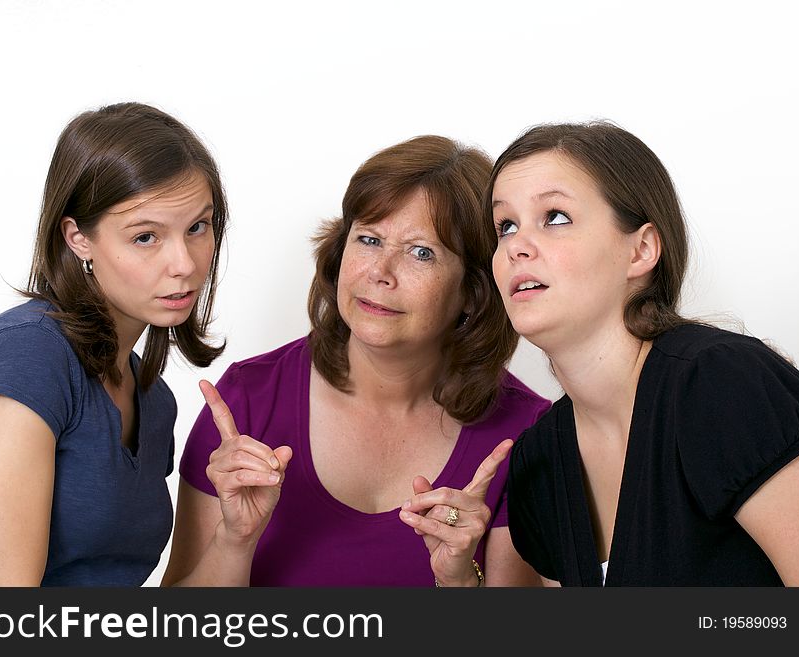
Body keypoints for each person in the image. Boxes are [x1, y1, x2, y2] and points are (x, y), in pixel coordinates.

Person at [162, 135, 551, 586]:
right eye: (368, 239)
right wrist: (234, 540)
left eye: (421, 252)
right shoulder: (246, 399)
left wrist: (462, 582)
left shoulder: (526, 435)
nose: (379, 273)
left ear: (473, 290)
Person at [489, 122, 799, 586]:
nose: (516, 246)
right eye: (505, 226)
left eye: (555, 216)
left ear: (641, 250)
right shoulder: (539, 461)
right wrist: (462, 582)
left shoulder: (721, 385)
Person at [0, 102, 228, 586]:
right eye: (146, 237)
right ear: (78, 239)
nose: (184, 263)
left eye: (197, 227)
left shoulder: (154, 401)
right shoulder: (28, 357)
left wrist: (235, 534)